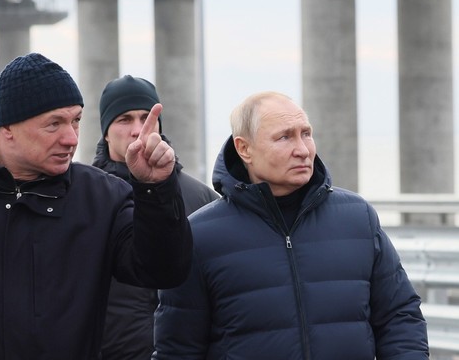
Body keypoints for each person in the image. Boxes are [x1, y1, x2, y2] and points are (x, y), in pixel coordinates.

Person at [0, 52, 192, 359]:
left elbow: (162, 270)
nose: (71, 138)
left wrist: (155, 189)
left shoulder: (104, 198)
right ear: (8, 128)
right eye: (54, 124)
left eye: (76, 120)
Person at [153, 91, 429, 359]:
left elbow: (399, 315)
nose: (302, 150)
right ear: (244, 148)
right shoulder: (200, 236)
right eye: (284, 137)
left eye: (306, 134)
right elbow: (178, 350)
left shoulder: (358, 218)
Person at [94, 75, 219, 359]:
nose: (137, 130)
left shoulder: (201, 198)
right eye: (124, 119)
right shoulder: (87, 199)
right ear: (105, 131)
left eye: (145, 117)